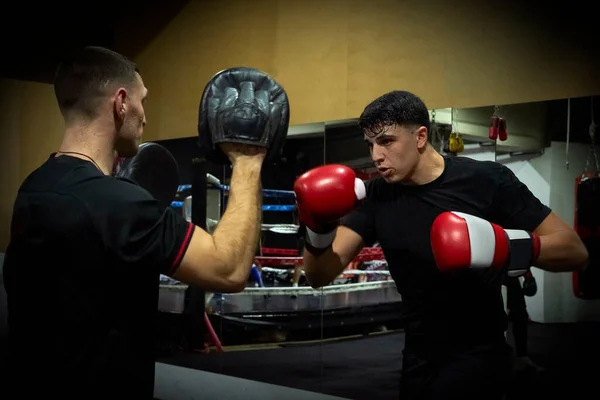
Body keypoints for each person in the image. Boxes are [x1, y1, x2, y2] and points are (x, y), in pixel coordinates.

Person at [2, 47, 268, 398]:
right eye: (142, 101)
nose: (144, 116)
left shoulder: (34, 188)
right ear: (121, 102)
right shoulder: (119, 205)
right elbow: (229, 269)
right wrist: (247, 160)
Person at [293, 90, 588, 399]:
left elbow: (574, 250)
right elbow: (319, 275)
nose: (376, 155)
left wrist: (502, 246)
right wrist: (318, 228)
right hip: (417, 355)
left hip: (479, 353)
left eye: (386, 141)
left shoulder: (486, 180)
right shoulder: (379, 196)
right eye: (371, 144)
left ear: (420, 136)